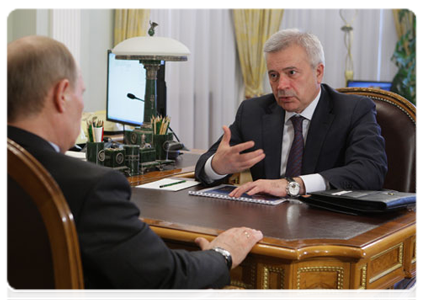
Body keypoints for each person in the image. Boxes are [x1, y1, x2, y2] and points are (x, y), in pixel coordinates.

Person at [5, 35, 263, 300]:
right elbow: (163, 278)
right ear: (61, 95)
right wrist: (223, 254)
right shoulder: (90, 187)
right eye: (82, 93)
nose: (82, 105)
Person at [195, 28, 387, 198]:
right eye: (273, 75)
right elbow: (207, 164)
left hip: (329, 223)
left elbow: (370, 171)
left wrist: (294, 185)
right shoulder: (253, 111)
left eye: (292, 73)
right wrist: (217, 167)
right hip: (267, 223)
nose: (281, 85)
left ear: (318, 72)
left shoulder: (353, 110)